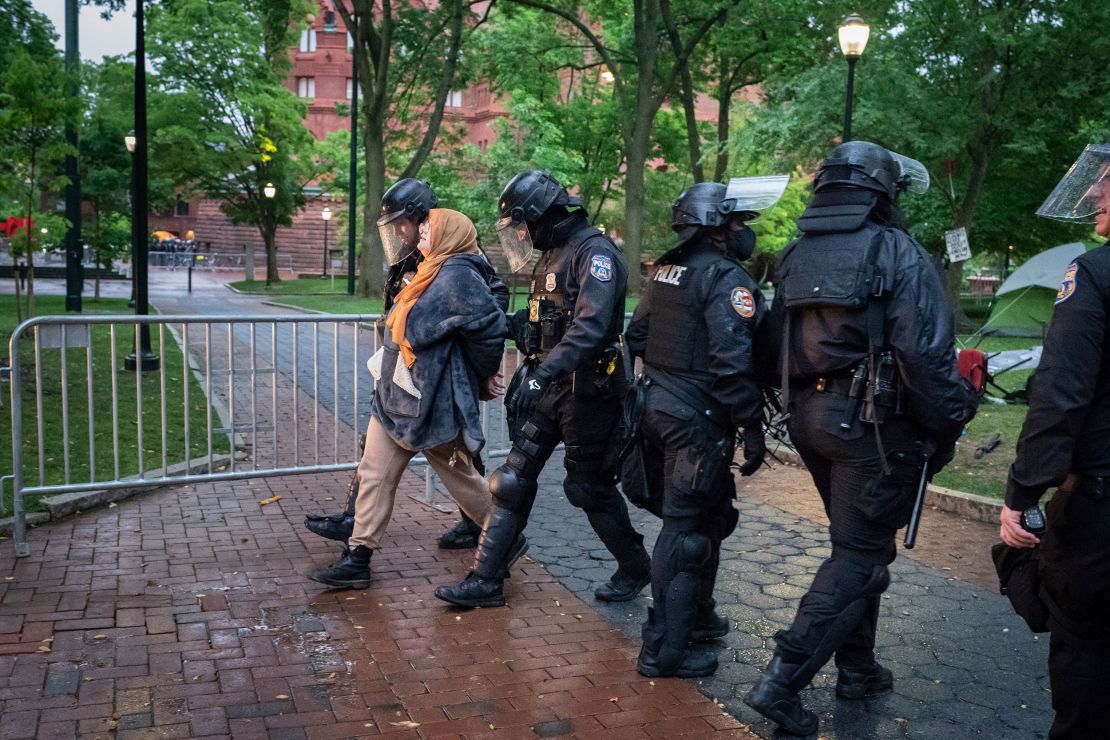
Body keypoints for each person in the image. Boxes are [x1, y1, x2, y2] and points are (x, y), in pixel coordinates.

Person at [744, 141, 978, 736]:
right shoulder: (897, 251)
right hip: (870, 431)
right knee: (861, 557)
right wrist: (954, 415)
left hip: (809, 423)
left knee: (859, 548)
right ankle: (781, 680)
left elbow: (769, 346)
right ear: (883, 195)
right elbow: (926, 358)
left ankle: (858, 668)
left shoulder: (795, 255)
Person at [435, 170, 651, 608]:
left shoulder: (595, 253)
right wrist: (513, 330)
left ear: (542, 215)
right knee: (511, 482)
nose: (521, 233)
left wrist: (542, 373)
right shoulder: (551, 253)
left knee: (587, 487)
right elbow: (548, 320)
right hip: (550, 388)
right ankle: (486, 579)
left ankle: (635, 566)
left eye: (522, 223)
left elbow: (590, 327)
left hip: (589, 391)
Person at [623, 178, 782, 677]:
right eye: (738, 223)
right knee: (685, 531)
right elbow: (732, 364)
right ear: (717, 228)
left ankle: (697, 616)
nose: (744, 233)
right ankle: (664, 650)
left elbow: (638, 335)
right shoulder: (726, 279)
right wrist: (752, 429)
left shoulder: (666, 271)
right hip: (695, 421)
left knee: (712, 518)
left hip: (657, 408)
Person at [309, 208, 516, 588]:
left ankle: (506, 535)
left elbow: (489, 328)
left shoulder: (459, 273)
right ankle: (358, 557)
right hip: (397, 396)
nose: (420, 233)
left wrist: (483, 374)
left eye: (428, 228)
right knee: (374, 473)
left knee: (462, 479)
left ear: (448, 234)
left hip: (429, 399)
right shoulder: (430, 268)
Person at [1001, 143, 1110, 740]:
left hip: (1099, 514)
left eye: (1106, 182)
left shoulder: (1093, 274)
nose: (1094, 192)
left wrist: (1022, 491)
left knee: (1087, 662)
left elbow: (1059, 395)